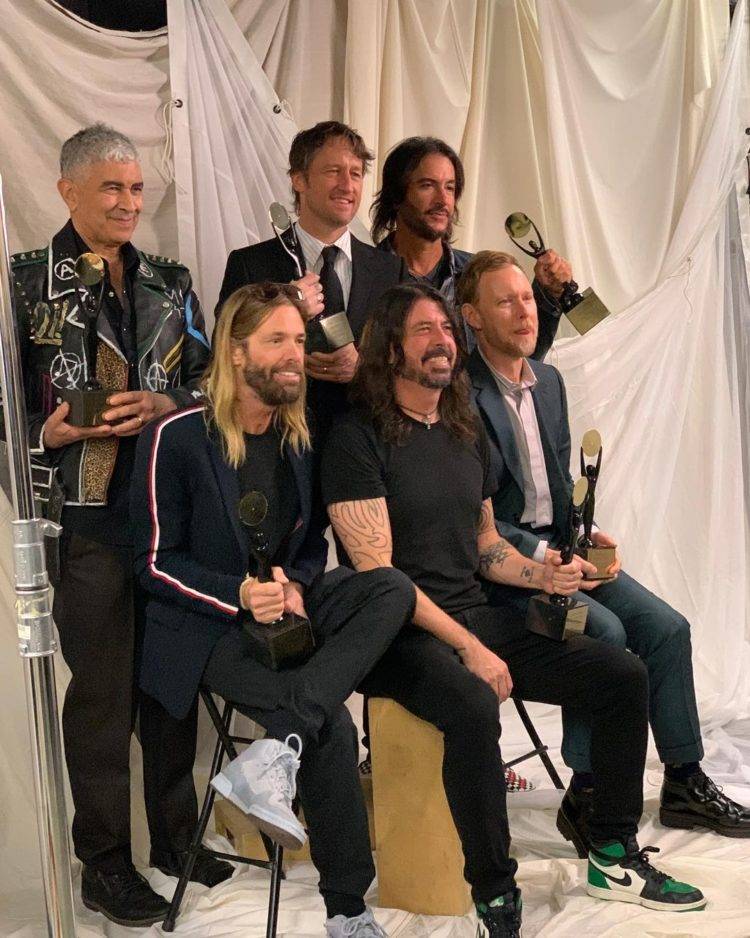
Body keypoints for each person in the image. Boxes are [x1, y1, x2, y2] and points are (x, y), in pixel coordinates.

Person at [321, 282, 707, 937]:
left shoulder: (462, 428)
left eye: (447, 329)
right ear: (390, 347)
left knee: (621, 673)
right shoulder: (356, 439)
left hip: (476, 617)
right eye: (425, 331)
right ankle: (495, 892)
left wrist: (545, 577)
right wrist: (471, 648)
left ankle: (612, 852)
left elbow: (486, 546)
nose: (444, 340)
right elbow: (382, 582)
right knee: (473, 702)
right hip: (397, 638)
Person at [130, 282, 415, 938]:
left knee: (390, 588)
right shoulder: (176, 437)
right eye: (277, 340)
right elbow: (151, 561)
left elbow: (312, 545)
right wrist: (236, 593)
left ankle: (275, 752)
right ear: (236, 353)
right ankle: (348, 910)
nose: (294, 354)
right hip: (206, 631)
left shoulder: (298, 437)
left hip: (284, 618)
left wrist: (294, 583)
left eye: (298, 338)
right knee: (332, 730)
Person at [458, 249, 750, 854]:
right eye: (505, 301)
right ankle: (585, 790)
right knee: (606, 633)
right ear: (473, 317)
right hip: (505, 571)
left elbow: (557, 487)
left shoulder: (549, 383)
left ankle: (684, 780)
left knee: (669, 628)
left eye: (524, 297)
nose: (524, 311)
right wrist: (544, 555)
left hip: (565, 554)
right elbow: (475, 519)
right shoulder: (461, 394)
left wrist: (585, 534)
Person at [7, 123, 222, 927]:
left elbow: (210, 380)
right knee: (100, 700)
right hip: (85, 521)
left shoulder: (171, 279)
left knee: (169, 688)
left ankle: (174, 838)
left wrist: (168, 403)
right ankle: (103, 862)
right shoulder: (24, 285)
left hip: (169, 515)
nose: (130, 202)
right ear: (67, 191)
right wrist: (47, 435)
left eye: (136, 188)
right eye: (112, 188)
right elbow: (3, 408)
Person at [218, 120, 406, 439]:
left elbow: (405, 361)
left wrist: (363, 369)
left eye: (356, 173)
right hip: (277, 443)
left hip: (366, 447)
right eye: (333, 171)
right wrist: (283, 309)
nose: (347, 185)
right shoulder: (250, 264)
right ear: (299, 180)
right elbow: (222, 354)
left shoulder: (390, 270)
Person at [370, 135, 571, 357]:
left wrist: (547, 295)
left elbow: (519, 357)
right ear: (396, 195)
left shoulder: (480, 274)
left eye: (449, 188)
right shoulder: (365, 274)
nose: (442, 200)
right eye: (427, 185)